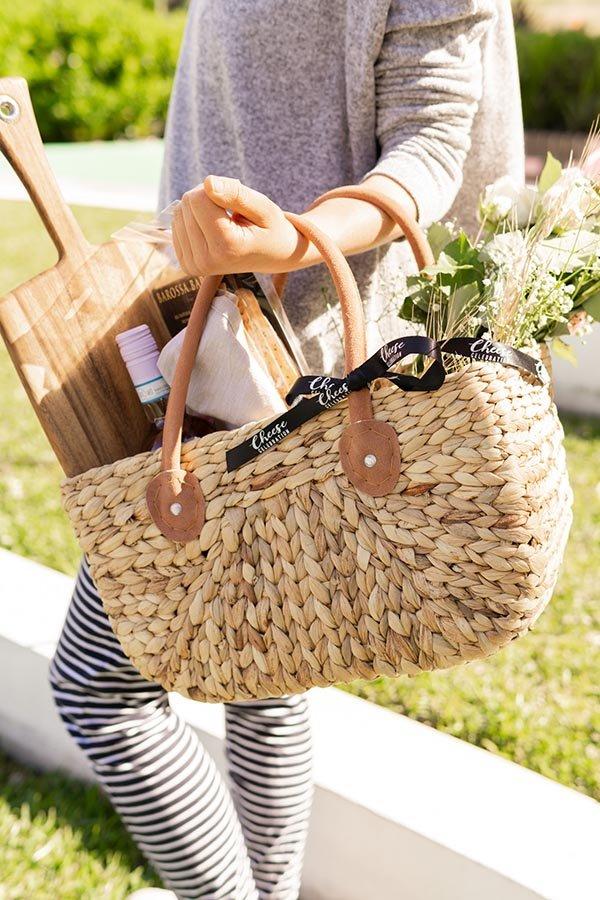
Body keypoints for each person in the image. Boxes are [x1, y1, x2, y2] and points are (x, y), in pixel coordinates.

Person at [49, 2, 524, 898]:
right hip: (210, 331)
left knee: (99, 690)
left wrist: (292, 237)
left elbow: (429, 144)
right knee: (271, 672)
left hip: (283, 366)